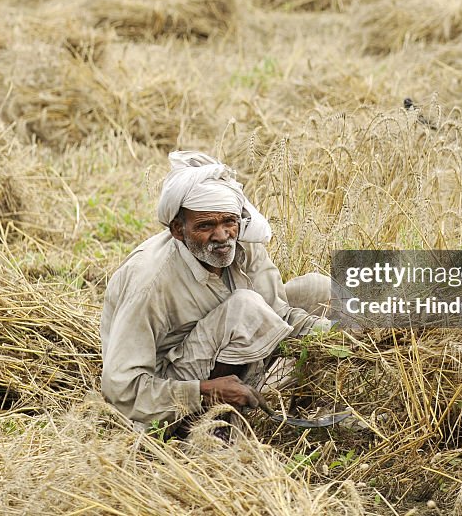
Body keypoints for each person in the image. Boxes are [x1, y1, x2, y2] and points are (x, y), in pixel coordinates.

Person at [100, 151, 333, 432]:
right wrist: (207, 391)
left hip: (226, 342)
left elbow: (278, 312)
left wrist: (344, 334)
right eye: (206, 225)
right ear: (177, 230)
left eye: (228, 222)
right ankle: (212, 428)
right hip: (170, 390)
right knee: (246, 308)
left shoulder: (245, 246)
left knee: (321, 290)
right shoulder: (149, 283)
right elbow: (122, 389)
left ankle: (304, 400)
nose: (222, 236)